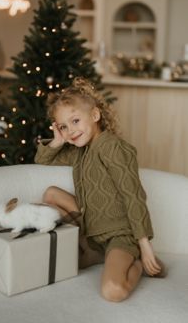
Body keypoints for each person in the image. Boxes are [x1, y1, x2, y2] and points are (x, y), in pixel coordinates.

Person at [36, 76, 166, 300]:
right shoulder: (79, 151)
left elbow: (133, 196)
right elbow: (42, 160)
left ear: (95, 115)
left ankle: (136, 264)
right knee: (51, 194)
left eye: (76, 121)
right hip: (93, 230)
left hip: (120, 235)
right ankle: (96, 253)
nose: (71, 131)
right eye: (64, 126)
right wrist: (58, 140)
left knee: (113, 291)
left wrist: (144, 246)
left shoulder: (113, 147)